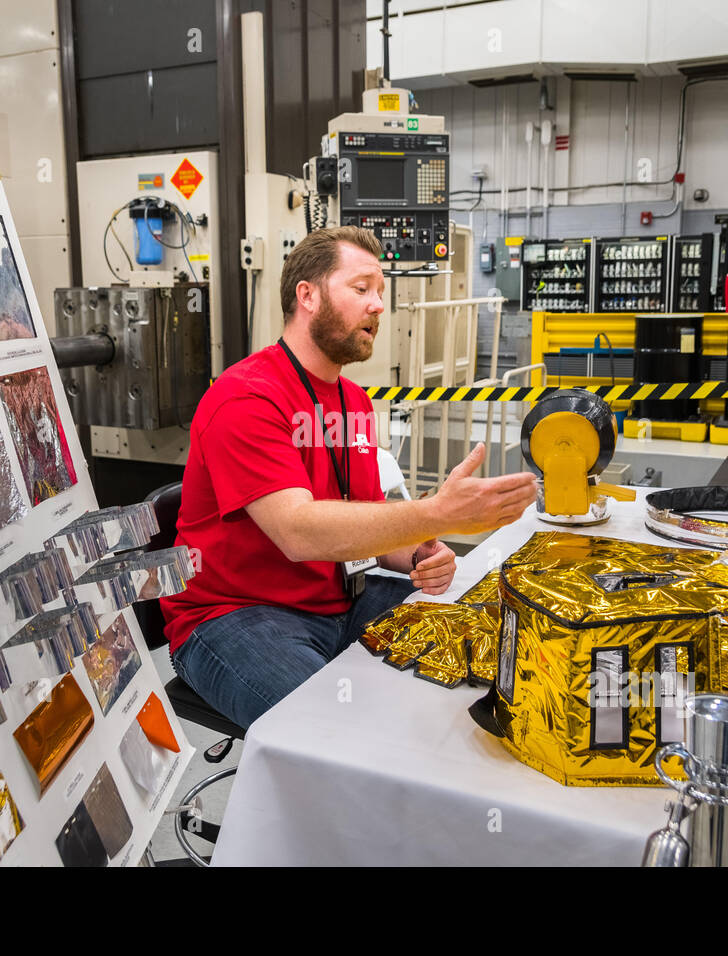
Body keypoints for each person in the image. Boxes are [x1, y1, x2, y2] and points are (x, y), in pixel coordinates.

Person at [161, 226, 537, 728]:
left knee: (494, 643)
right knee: (339, 730)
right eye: (362, 289)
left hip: (341, 599)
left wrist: (417, 552)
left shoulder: (354, 401)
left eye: (381, 291)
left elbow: (368, 524)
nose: (379, 305)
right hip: (235, 614)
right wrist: (435, 513)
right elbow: (296, 532)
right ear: (308, 296)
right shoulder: (246, 396)